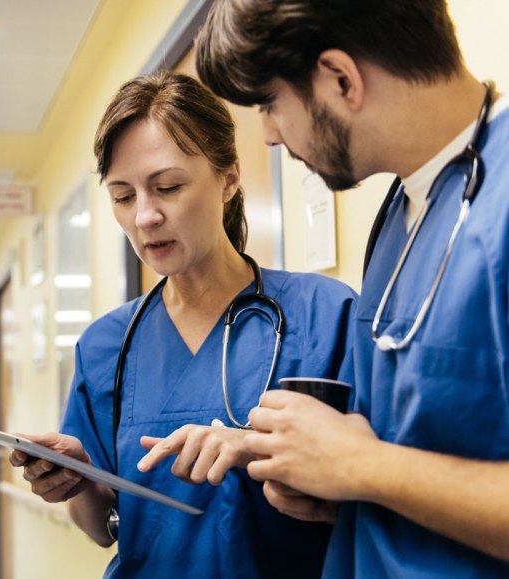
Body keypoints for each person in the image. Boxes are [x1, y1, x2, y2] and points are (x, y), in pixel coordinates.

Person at [195, 0, 509, 576]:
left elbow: (378, 461)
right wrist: (332, 485)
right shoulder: (400, 215)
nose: (266, 134)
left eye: (270, 104)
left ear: (342, 79)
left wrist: (362, 467)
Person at [8, 71, 357, 578]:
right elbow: (101, 526)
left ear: (229, 178)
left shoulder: (325, 314)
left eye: (167, 187)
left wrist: (258, 450)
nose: (145, 216)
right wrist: (78, 481)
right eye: (123, 196)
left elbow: (376, 483)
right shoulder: (106, 345)